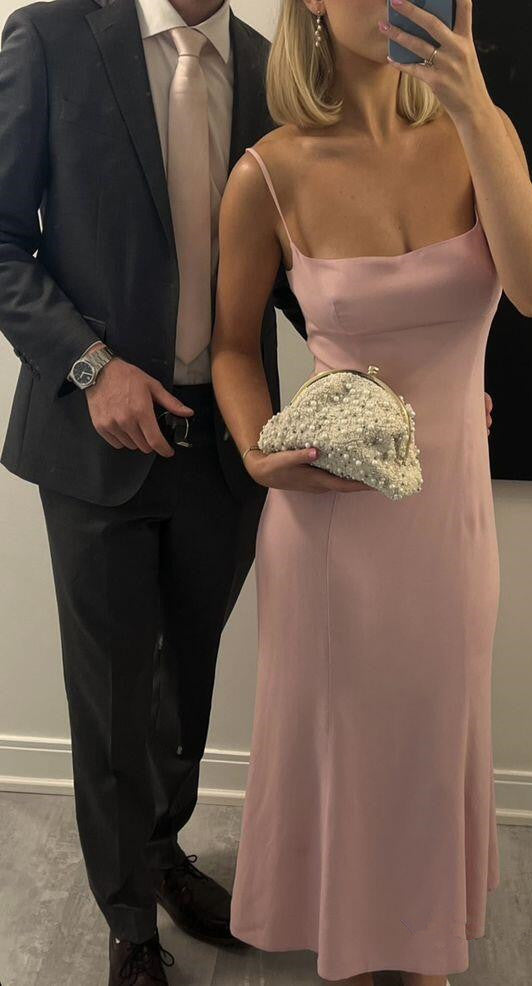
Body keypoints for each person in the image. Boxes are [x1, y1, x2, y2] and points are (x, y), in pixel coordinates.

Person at [210, 2, 532, 986]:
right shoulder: (268, 173)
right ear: (313, 5)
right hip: (330, 527)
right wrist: (258, 451)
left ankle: (422, 948)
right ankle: (359, 958)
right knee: (346, 756)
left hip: (451, 523)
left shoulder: (479, 134)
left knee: (431, 744)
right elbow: (232, 346)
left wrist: (475, 108)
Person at [0, 0, 306, 983]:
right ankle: (129, 917)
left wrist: (400, 359)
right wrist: (92, 368)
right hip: (96, 440)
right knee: (111, 695)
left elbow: (298, 259)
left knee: (189, 679)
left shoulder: (270, 68)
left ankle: (162, 849)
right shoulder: (49, 36)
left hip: (226, 440)